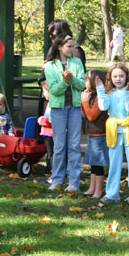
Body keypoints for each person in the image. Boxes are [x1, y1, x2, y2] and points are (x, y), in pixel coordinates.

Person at [96, 63, 129, 205]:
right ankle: (112, 194)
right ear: (110, 77)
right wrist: (100, 90)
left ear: (126, 77)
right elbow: (103, 107)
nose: (118, 79)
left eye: (121, 76)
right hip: (114, 130)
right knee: (114, 163)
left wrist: (127, 92)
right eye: (115, 76)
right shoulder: (108, 93)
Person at [44, 34, 86, 193]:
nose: (72, 49)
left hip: (74, 108)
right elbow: (54, 90)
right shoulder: (50, 66)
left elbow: (82, 85)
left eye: (73, 46)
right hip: (58, 110)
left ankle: (74, 182)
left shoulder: (77, 63)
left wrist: (72, 79)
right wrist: (65, 82)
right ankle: (57, 180)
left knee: (74, 145)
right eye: (69, 46)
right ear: (59, 47)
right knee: (60, 145)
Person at [81, 70, 109, 199]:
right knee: (93, 162)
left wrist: (85, 103)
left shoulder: (100, 97)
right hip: (92, 134)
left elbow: (91, 116)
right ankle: (92, 187)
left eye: (86, 80)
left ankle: (98, 190)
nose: (85, 83)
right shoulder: (91, 95)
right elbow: (84, 114)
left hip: (99, 134)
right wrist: (84, 101)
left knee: (98, 163)